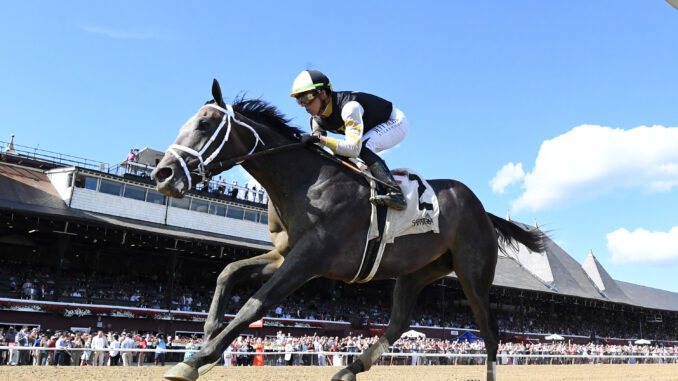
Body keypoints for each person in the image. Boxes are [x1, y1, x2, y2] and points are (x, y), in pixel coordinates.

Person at [291, 69, 408, 210]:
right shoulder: (316, 119)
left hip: (394, 122)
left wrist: (320, 140)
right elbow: (319, 149)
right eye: (299, 100)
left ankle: (395, 192)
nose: (304, 105)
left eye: (306, 98)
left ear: (322, 94)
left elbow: (353, 149)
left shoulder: (350, 108)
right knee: (338, 154)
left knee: (363, 148)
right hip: (370, 128)